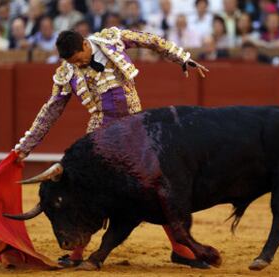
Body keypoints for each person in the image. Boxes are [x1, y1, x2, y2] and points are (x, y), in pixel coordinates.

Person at [14, 26, 209, 269]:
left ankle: (180, 250)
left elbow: (151, 41)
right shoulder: (67, 72)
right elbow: (50, 111)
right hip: (100, 135)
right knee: (89, 193)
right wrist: (24, 147)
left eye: (78, 59)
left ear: (85, 44)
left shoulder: (111, 39)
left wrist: (183, 58)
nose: (78, 65)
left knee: (156, 187)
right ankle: (76, 254)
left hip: (135, 130)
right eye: (72, 63)